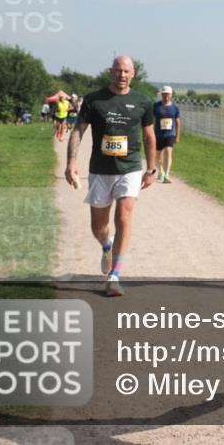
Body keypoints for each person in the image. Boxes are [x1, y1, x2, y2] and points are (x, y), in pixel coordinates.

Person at [65, 56, 157, 297]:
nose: (122, 75)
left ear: (133, 74)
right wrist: (72, 162)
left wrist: (151, 169)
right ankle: (107, 246)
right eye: (118, 70)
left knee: (124, 216)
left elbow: (149, 136)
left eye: (126, 71)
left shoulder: (143, 102)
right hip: (100, 170)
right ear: (110, 72)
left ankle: (114, 276)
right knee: (98, 226)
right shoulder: (94, 100)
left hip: (130, 168)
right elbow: (78, 131)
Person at [154, 86, 181, 183]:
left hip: (170, 134)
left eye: (168, 94)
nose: (166, 96)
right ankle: (160, 172)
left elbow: (177, 122)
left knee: (169, 152)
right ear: (161, 95)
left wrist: (177, 136)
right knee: (157, 156)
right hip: (158, 134)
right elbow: (150, 120)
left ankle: (167, 174)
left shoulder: (175, 108)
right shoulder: (156, 106)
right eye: (164, 94)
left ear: (171, 95)